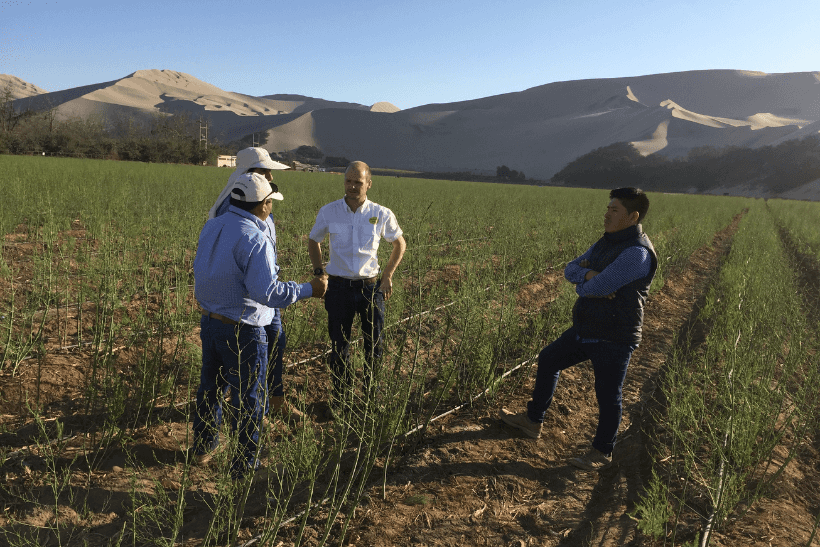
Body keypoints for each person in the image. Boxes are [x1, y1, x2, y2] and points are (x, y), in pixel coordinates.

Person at [499, 187, 657, 471]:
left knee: (608, 395)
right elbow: (569, 268)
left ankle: (602, 452)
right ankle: (533, 421)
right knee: (548, 359)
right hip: (588, 326)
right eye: (608, 208)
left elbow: (599, 288)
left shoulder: (638, 253)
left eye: (614, 210)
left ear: (632, 217)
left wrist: (589, 285)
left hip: (615, 335)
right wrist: (587, 275)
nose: (607, 214)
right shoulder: (605, 243)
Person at [193, 172, 327, 477]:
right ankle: (245, 464)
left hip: (210, 322)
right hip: (244, 329)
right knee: (248, 397)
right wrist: (309, 289)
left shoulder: (212, 225)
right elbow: (268, 293)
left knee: (210, 388)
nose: (271, 208)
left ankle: (203, 448)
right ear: (263, 205)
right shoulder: (255, 237)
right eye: (270, 203)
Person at [207, 147, 299, 423]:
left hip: (263, 290)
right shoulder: (233, 208)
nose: (270, 176)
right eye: (264, 171)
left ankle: (273, 402)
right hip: (249, 302)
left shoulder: (255, 202)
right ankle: (244, 419)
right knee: (240, 361)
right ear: (249, 175)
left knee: (275, 345)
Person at [308, 161, 406, 416]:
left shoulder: (381, 213)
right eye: (348, 181)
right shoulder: (329, 212)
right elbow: (313, 240)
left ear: (369, 184)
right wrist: (320, 272)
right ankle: (341, 399)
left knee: (374, 345)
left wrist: (388, 276)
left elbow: (400, 244)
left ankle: (371, 399)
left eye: (358, 182)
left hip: (370, 289)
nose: (352, 187)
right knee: (339, 346)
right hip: (338, 288)